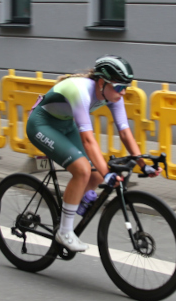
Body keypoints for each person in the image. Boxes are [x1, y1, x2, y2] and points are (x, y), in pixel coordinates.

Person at [26, 55, 162, 252]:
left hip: (65, 124)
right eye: (118, 87)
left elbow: (124, 132)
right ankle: (64, 231)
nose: (123, 92)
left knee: (96, 174)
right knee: (83, 170)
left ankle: (74, 202)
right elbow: (88, 141)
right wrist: (108, 173)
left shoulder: (112, 95)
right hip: (42, 124)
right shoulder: (80, 89)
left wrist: (143, 164)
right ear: (101, 82)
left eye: (126, 87)